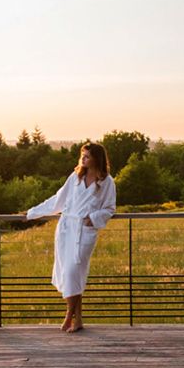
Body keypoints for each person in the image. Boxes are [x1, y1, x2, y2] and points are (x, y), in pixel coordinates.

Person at [25, 142, 117, 332]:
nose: (83, 159)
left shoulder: (106, 182)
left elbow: (110, 208)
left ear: (97, 159)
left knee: (73, 272)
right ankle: (79, 319)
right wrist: (32, 212)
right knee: (72, 275)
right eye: (82, 155)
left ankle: (68, 315)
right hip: (67, 229)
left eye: (87, 156)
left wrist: (93, 218)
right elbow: (57, 201)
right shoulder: (75, 177)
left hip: (85, 230)